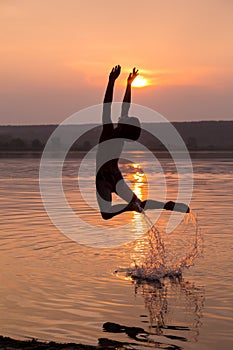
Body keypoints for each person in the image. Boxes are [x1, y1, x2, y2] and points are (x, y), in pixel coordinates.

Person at [96, 65, 189, 220]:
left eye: (125, 119)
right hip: (116, 176)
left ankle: (129, 208)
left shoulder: (109, 132)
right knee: (139, 204)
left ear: (123, 126)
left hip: (103, 178)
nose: (123, 116)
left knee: (106, 214)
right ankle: (166, 205)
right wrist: (128, 84)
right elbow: (125, 107)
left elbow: (107, 106)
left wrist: (111, 81)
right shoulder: (120, 137)